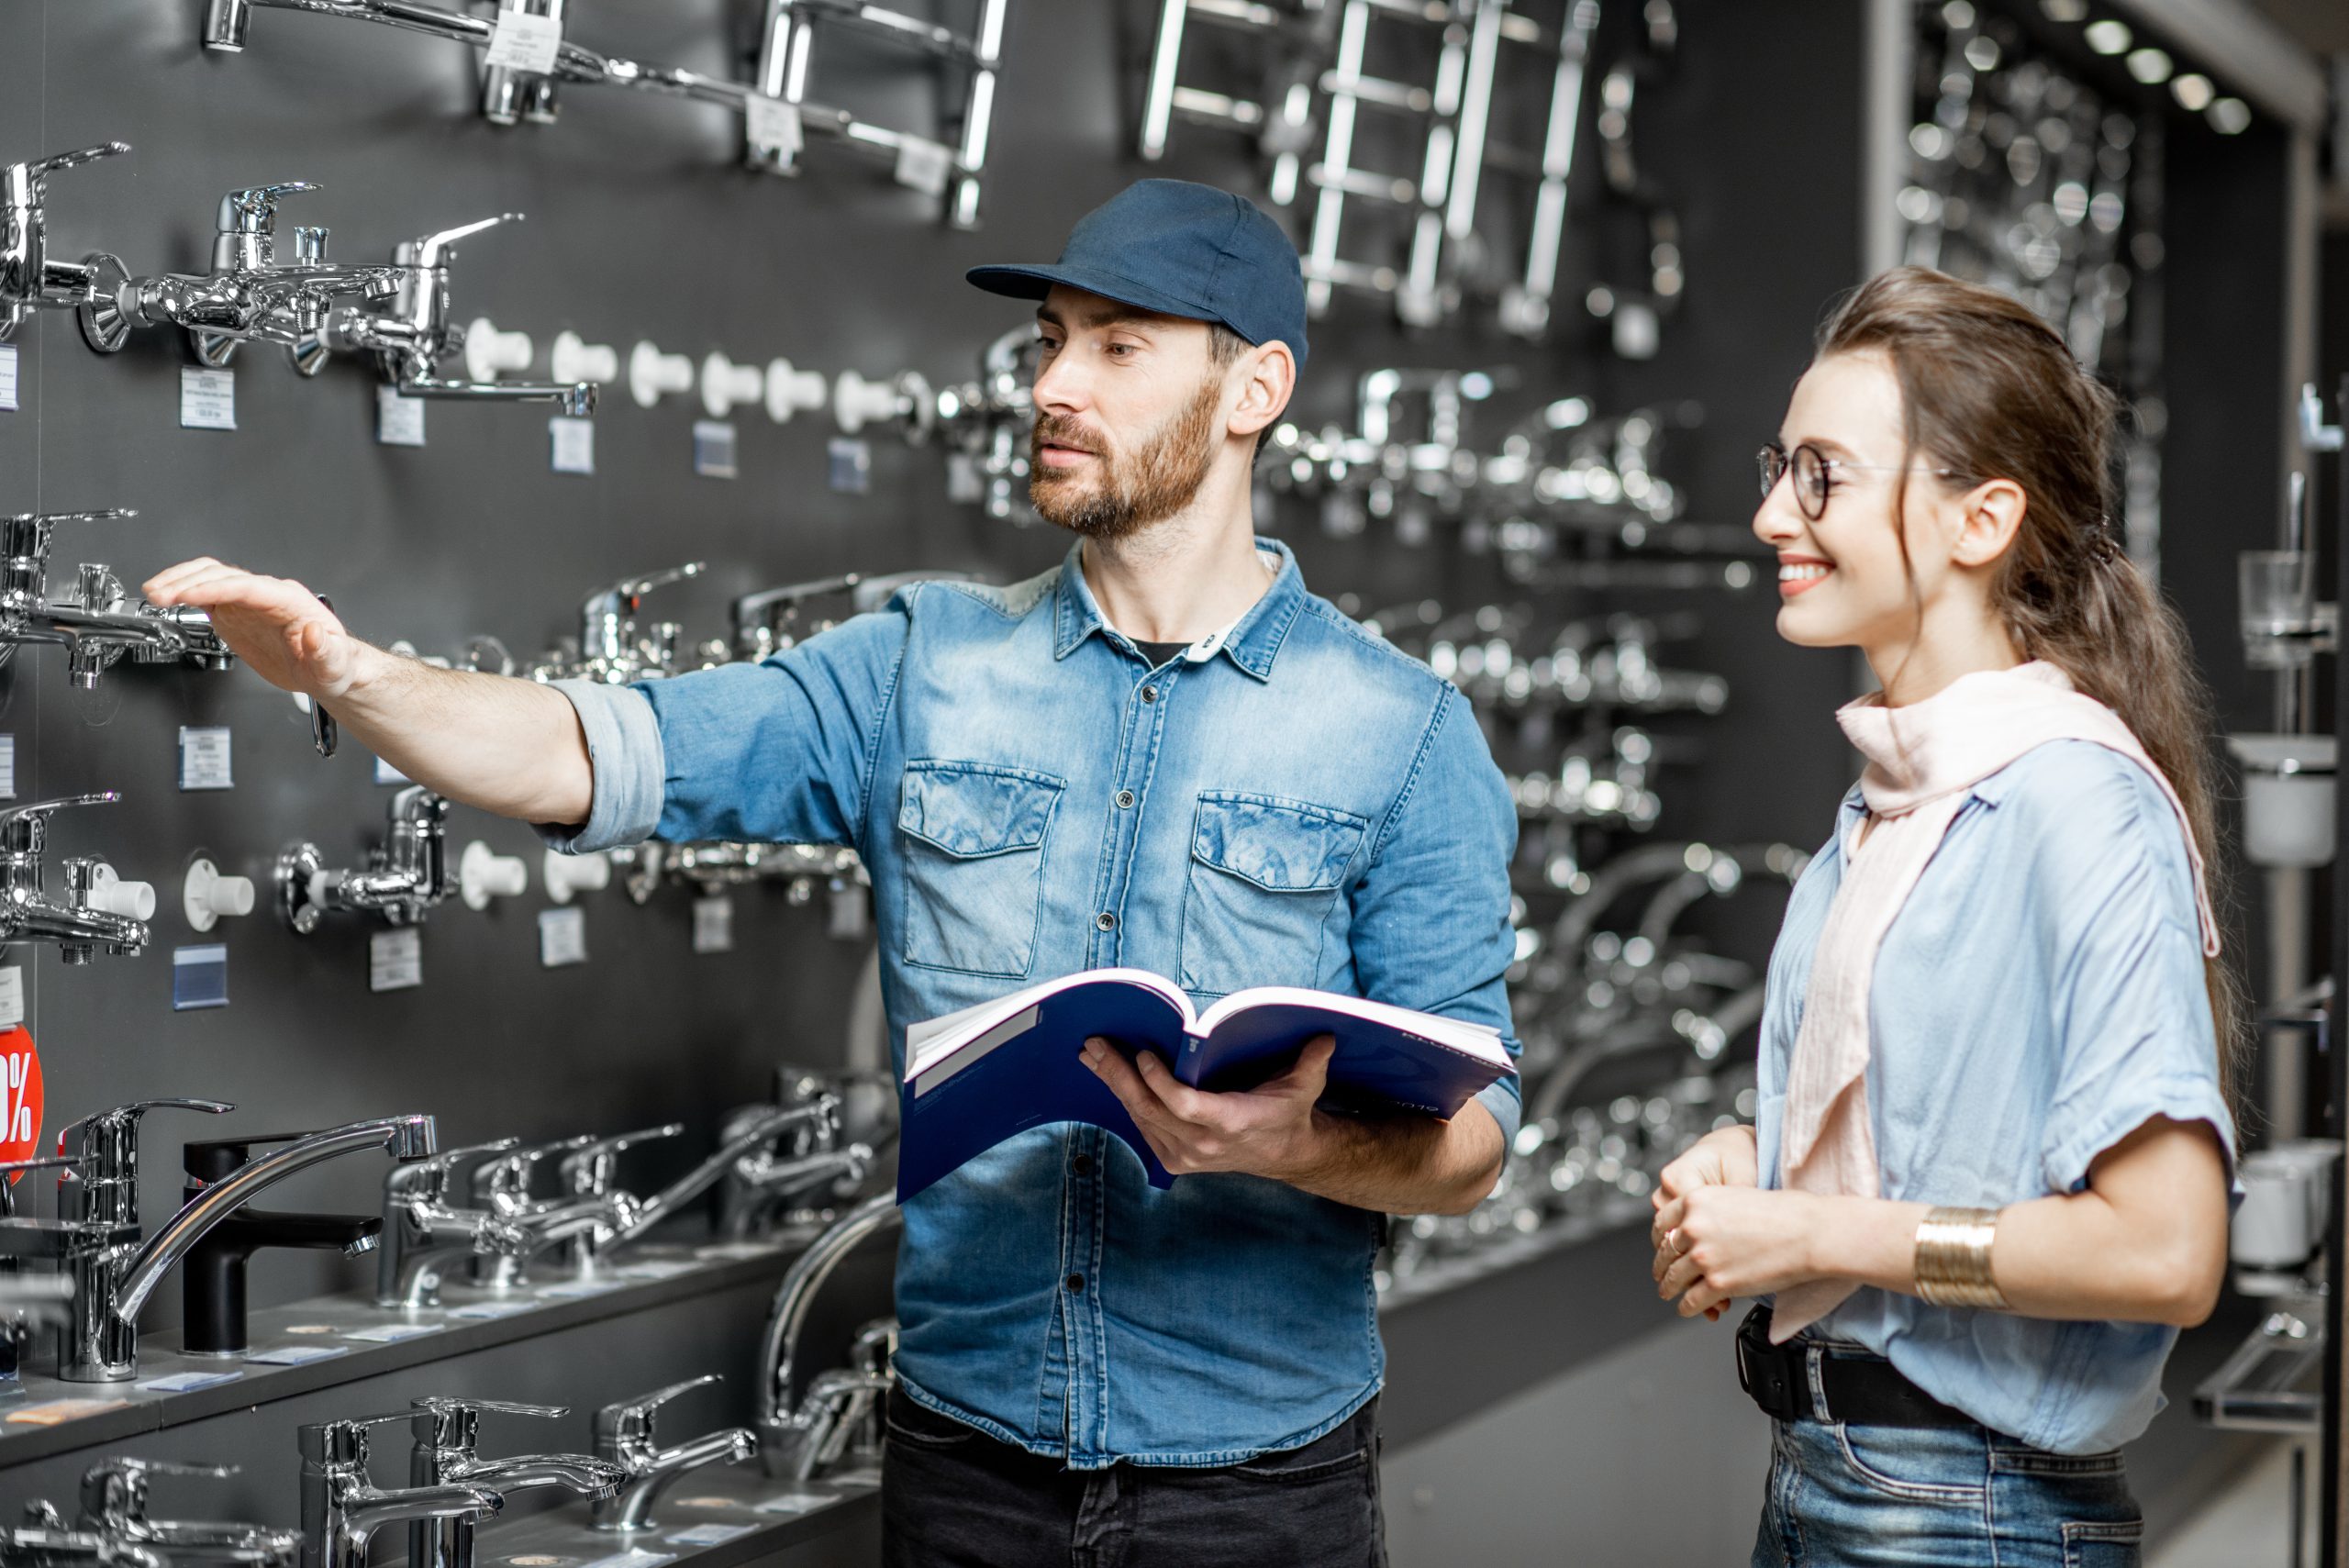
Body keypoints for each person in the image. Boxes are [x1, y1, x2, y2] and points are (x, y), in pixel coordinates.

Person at [143, 178, 1520, 1567]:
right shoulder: (915, 665)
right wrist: (353, 674)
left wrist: (1297, 1142)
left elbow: (1472, 1146)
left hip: (1262, 1488)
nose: (1053, 383)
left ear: (1253, 390)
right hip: (970, 1471)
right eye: (1048, 339)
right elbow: (603, 749)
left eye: (1116, 345)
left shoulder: (1402, 733)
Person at [1647, 265, 2238, 1568]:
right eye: (1777, 468)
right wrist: (1761, 1155)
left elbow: (2168, 1246)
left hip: (1970, 1511)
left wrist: (1814, 1229)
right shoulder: (1896, 802)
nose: (1767, 517)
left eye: (1821, 476)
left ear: (1982, 520)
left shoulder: (2075, 801)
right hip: (1835, 1474)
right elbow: (1953, 1132)